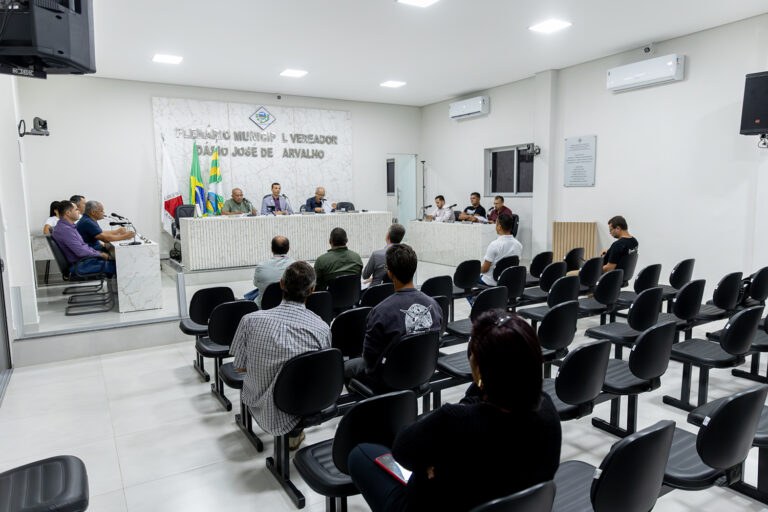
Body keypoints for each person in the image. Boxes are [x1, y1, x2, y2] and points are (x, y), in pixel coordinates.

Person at [348, 311, 561, 512]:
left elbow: (402, 451)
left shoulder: (454, 421)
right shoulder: (547, 410)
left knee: (360, 454)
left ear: (478, 370)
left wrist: (430, 466)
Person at [230, 261, 330, 450]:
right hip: (300, 407)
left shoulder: (249, 320)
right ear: (312, 290)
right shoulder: (322, 328)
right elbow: (321, 375)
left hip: (259, 408)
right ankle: (295, 434)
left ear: (281, 284)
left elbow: (241, 368)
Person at [344, 244, 442, 386]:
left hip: (387, 381)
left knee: (345, 368)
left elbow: (369, 358)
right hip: (423, 372)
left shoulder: (380, 312)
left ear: (389, 273)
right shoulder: (434, 305)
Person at [51, 200, 116, 276]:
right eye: (76, 209)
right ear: (68, 213)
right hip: (81, 264)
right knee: (118, 266)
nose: (79, 211)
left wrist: (98, 253)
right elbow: (80, 251)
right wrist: (100, 254)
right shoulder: (65, 230)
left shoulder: (67, 227)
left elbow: (82, 246)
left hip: (84, 261)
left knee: (115, 261)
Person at [249, 236, 295, 308]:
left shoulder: (261, 266)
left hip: (264, 307)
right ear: (288, 248)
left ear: (272, 249)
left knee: (250, 295)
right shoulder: (296, 266)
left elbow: (256, 284)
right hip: (289, 306)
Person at [480, 213, 522, 286]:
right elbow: (516, 265)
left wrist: (475, 271)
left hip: (491, 281)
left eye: (496, 224)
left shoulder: (494, 245)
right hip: (507, 280)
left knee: (469, 276)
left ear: (499, 227)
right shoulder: (518, 245)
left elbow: (485, 269)